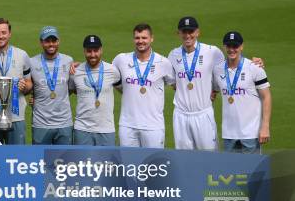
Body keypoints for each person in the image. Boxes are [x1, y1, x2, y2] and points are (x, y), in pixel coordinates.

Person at [112, 23, 175, 148]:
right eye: (137, 38)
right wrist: (80, 65)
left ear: (151, 38)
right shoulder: (121, 59)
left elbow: (175, 84)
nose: (140, 41)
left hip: (153, 126)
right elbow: (106, 73)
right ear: (133, 39)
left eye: (144, 38)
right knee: (129, 165)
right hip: (127, 125)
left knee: (153, 165)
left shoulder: (163, 62)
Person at [168, 16, 224, 150]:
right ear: (178, 33)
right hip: (180, 115)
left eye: (191, 31)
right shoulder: (173, 55)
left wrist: (255, 63)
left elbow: (230, 67)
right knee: (184, 160)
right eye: (184, 32)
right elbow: (172, 82)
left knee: (209, 158)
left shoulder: (212, 52)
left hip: (203, 114)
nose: (188, 35)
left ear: (198, 32)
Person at [213, 31, 271, 153]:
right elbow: (213, 91)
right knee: (231, 171)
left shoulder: (254, 68)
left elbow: (266, 97)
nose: (232, 49)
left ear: (241, 46)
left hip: (251, 133)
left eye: (235, 46)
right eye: (229, 46)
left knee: (252, 171)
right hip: (229, 134)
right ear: (224, 47)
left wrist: (265, 127)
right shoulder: (218, 70)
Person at [70, 35, 121, 146]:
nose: (93, 55)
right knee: (82, 163)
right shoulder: (76, 72)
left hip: (106, 129)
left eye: (96, 50)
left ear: (101, 50)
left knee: (107, 163)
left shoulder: (112, 71)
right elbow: (68, 91)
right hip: (82, 129)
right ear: (84, 51)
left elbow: (124, 90)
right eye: (89, 51)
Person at [29, 26, 73, 145]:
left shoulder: (68, 61)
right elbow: (28, 86)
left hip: (64, 123)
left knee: (64, 162)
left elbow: (72, 88)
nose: (51, 44)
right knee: (40, 161)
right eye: (47, 41)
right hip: (41, 123)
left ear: (59, 41)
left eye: (54, 40)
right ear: (41, 42)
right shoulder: (32, 62)